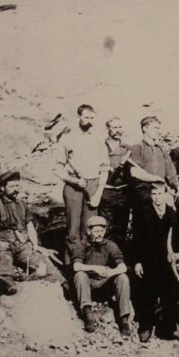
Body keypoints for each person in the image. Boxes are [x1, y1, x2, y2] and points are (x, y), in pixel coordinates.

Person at [132, 183, 179, 342]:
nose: (157, 197)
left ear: (165, 194)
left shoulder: (171, 213)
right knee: (147, 294)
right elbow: (136, 240)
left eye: (160, 193)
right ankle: (145, 328)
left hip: (167, 261)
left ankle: (170, 328)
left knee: (171, 293)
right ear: (150, 195)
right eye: (154, 194)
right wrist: (137, 262)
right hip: (148, 261)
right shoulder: (142, 213)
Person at [0, 171, 55, 295]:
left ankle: (55, 283)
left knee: (43, 264)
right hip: (4, 243)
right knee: (4, 260)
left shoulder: (22, 204)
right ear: (2, 188)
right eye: (12, 186)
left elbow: (30, 227)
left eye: (17, 186)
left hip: (22, 244)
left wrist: (35, 245)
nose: (16, 189)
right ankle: (7, 283)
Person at [54, 104, 109, 251]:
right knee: (73, 228)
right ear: (78, 117)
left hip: (93, 185)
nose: (89, 121)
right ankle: (72, 265)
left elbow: (105, 168)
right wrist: (74, 180)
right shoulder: (67, 139)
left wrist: (98, 193)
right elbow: (57, 168)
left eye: (92, 118)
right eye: (86, 117)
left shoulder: (98, 139)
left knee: (90, 227)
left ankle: (88, 263)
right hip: (74, 186)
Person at [69, 216, 132, 336]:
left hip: (105, 284)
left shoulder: (110, 245)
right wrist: (95, 268)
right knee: (80, 275)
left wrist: (111, 272)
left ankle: (124, 320)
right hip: (89, 285)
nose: (99, 234)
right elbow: (76, 266)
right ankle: (88, 315)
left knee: (123, 277)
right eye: (96, 231)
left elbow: (122, 267)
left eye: (102, 231)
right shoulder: (81, 245)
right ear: (88, 231)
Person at [98, 117, 131, 249]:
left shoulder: (126, 148)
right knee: (107, 227)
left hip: (123, 192)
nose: (118, 131)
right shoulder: (101, 147)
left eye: (119, 127)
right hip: (107, 191)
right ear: (108, 129)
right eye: (114, 127)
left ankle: (119, 259)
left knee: (121, 228)